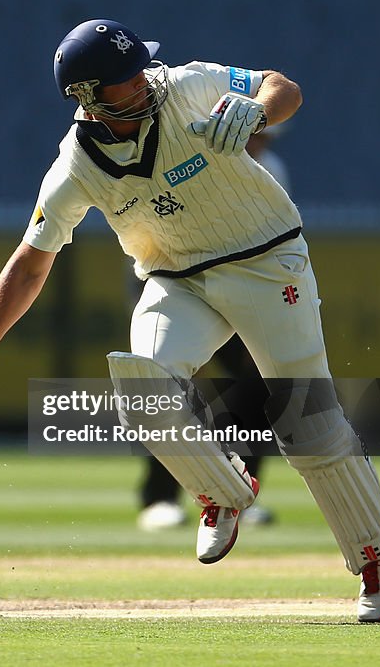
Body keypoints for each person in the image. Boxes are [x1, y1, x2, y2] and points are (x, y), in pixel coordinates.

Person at [0, 19, 380, 622]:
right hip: (177, 278)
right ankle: (221, 492)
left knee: (304, 419)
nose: (142, 85)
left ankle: (376, 555)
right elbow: (31, 261)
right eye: (123, 84)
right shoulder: (76, 167)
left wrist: (258, 110)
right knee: (142, 381)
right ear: (87, 98)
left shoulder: (188, 84)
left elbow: (284, 87)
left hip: (267, 265)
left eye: (139, 71)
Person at [136, 126, 290, 531]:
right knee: (167, 383)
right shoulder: (187, 161)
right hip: (174, 283)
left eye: (264, 139)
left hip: (240, 289)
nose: (256, 146)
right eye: (252, 136)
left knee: (258, 387)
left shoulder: (270, 169)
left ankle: (242, 491)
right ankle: (159, 498)